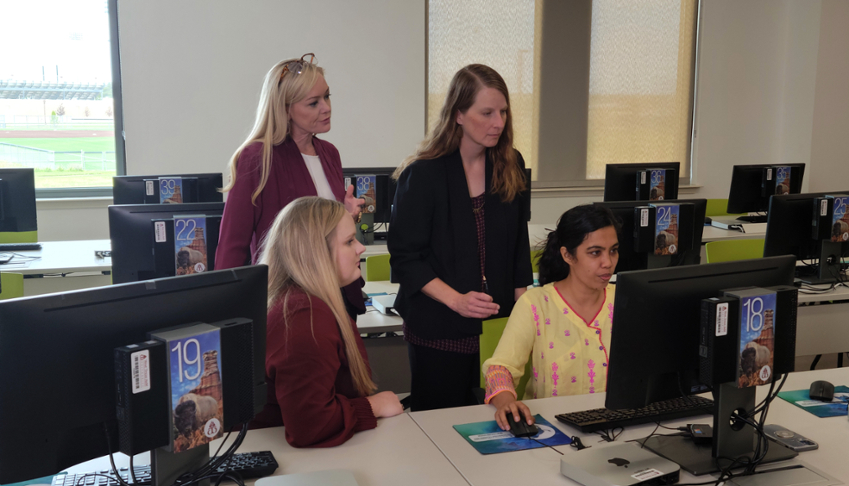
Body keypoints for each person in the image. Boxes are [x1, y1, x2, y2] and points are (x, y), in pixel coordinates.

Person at [389, 64, 533, 412]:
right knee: (441, 429)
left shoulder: (510, 163)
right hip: (438, 327)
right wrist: (456, 300)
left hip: (497, 326)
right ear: (458, 114)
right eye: (486, 113)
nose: (498, 122)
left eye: (503, 112)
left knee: (496, 423)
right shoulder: (422, 174)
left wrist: (523, 314)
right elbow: (406, 258)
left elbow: (518, 245)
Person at [215, 53, 365, 318]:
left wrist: (346, 214)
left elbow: (321, 227)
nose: (326, 108)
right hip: (290, 301)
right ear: (285, 108)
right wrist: (226, 311)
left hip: (336, 293)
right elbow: (232, 246)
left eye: (327, 97)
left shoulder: (329, 153)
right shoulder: (256, 158)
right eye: (313, 103)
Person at [249, 197, 403, 447]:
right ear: (316, 253)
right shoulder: (304, 317)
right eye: (349, 241)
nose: (361, 248)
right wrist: (372, 406)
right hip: (283, 457)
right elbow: (309, 426)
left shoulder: (305, 301)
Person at [482, 205, 620, 431]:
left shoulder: (624, 300)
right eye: (595, 252)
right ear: (567, 255)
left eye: (613, 250)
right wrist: (507, 403)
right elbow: (500, 369)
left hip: (616, 425)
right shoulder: (536, 304)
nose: (608, 262)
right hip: (553, 427)